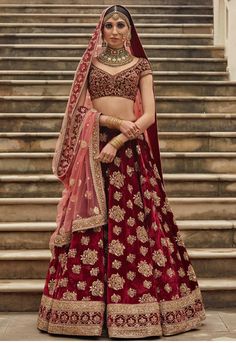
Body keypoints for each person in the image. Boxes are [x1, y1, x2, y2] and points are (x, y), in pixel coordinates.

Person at [36, 4, 206, 339]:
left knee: (139, 227)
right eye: (109, 25)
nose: (114, 31)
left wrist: (118, 142)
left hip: (130, 154)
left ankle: (143, 312)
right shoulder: (90, 66)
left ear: (130, 30)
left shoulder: (141, 65)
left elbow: (150, 115)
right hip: (93, 152)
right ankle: (85, 315)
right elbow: (78, 110)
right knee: (94, 228)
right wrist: (111, 126)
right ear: (101, 31)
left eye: (121, 25)